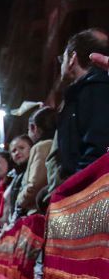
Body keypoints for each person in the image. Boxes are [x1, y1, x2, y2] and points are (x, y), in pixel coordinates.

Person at [47, 28, 109, 189]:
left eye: (63, 58)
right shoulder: (81, 92)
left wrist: (76, 188)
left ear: (72, 58)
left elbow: (97, 146)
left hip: (91, 193)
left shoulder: (95, 89)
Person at [18, 106, 57, 214]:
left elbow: (34, 184)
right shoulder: (57, 142)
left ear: (33, 127)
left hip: (37, 210)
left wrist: (19, 201)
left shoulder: (41, 147)